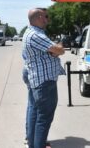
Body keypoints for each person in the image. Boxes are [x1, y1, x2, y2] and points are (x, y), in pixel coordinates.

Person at [22, 8, 65, 148]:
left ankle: (33, 143)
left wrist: (54, 50)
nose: (48, 19)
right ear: (40, 17)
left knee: (35, 112)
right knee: (44, 118)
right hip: (44, 82)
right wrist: (56, 50)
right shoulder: (36, 35)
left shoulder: (34, 33)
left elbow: (54, 50)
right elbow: (59, 50)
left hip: (39, 79)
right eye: (46, 16)